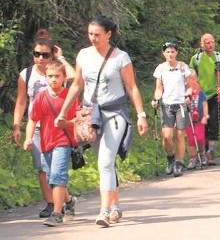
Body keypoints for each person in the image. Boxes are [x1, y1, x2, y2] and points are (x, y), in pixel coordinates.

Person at [57, 15, 149, 228]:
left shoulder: (120, 57)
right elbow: (77, 84)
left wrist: (141, 115)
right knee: (104, 163)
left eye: (97, 34)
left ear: (109, 34)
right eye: (90, 34)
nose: (93, 38)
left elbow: (132, 87)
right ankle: (116, 205)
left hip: (114, 113)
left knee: (106, 162)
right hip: (91, 115)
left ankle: (104, 211)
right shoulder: (83, 55)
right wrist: (63, 112)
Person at [12, 29, 75, 219]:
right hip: (37, 127)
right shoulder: (27, 74)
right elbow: (22, 101)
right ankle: (55, 202)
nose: (40, 58)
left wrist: (61, 58)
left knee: (55, 172)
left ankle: (59, 206)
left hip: (58, 128)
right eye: (36, 54)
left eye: (45, 54)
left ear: (51, 54)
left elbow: (73, 77)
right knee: (43, 168)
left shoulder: (57, 71)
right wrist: (17, 126)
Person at [23, 60, 79, 226]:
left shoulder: (70, 95)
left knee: (57, 175)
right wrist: (28, 138)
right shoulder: (41, 96)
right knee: (51, 178)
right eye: (50, 76)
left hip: (64, 141)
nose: (53, 79)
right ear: (45, 78)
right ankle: (69, 201)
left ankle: (57, 213)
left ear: (64, 78)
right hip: (45, 142)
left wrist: (67, 124)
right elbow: (32, 120)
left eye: (57, 76)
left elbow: (79, 118)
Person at [151, 42, 193, 177]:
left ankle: (179, 163)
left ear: (176, 53)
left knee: (180, 135)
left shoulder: (183, 67)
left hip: (181, 104)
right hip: (167, 104)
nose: (170, 54)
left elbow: (190, 85)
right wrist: (156, 99)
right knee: (167, 136)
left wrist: (188, 95)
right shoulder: (160, 69)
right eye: (168, 52)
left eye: (172, 51)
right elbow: (159, 88)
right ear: (164, 53)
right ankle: (170, 157)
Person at [189, 33, 220, 165]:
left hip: (215, 95)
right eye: (207, 42)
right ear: (201, 44)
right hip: (200, 96)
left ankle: (210, 152)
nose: (210, 45)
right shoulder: (195, 59)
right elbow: (191, 77)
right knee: (202, 124)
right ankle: (203, 152)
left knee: (214, 123)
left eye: (212, 42)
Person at [185, 71, 208, 170]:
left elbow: (204, 104)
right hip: (189, 120)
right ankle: (192, 159)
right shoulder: (184, 92)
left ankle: (202, 153)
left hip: (199, 119)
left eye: (194, 79)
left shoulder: (200, 92)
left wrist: (205, 116)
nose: (192, 81)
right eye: (189, 79)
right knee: (190, 140)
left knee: (199, 138)